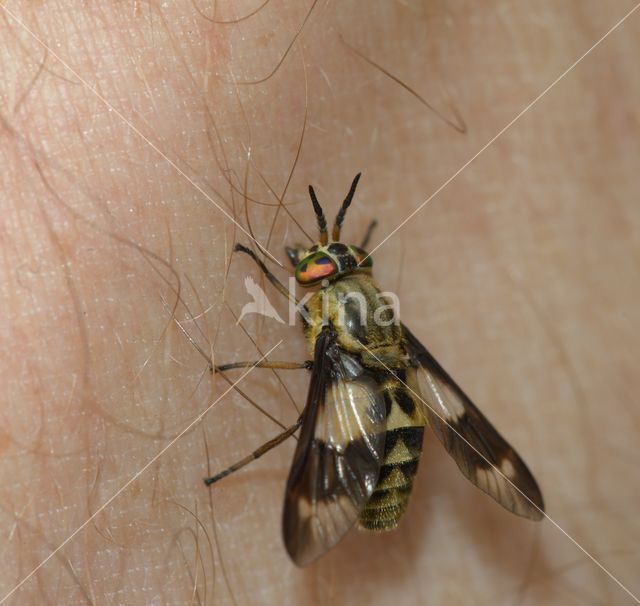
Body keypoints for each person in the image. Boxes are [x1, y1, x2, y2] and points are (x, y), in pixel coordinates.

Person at [1, 2, 638, 603]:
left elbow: (312, 390)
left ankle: (271, 466)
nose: (318, 265)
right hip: (398, 415)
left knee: (315, 406)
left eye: (324, 265)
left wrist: (264, 326)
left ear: (321, 280)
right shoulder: (378, 316)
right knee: (355, 395)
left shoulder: (327, 324)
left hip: (371, 452)